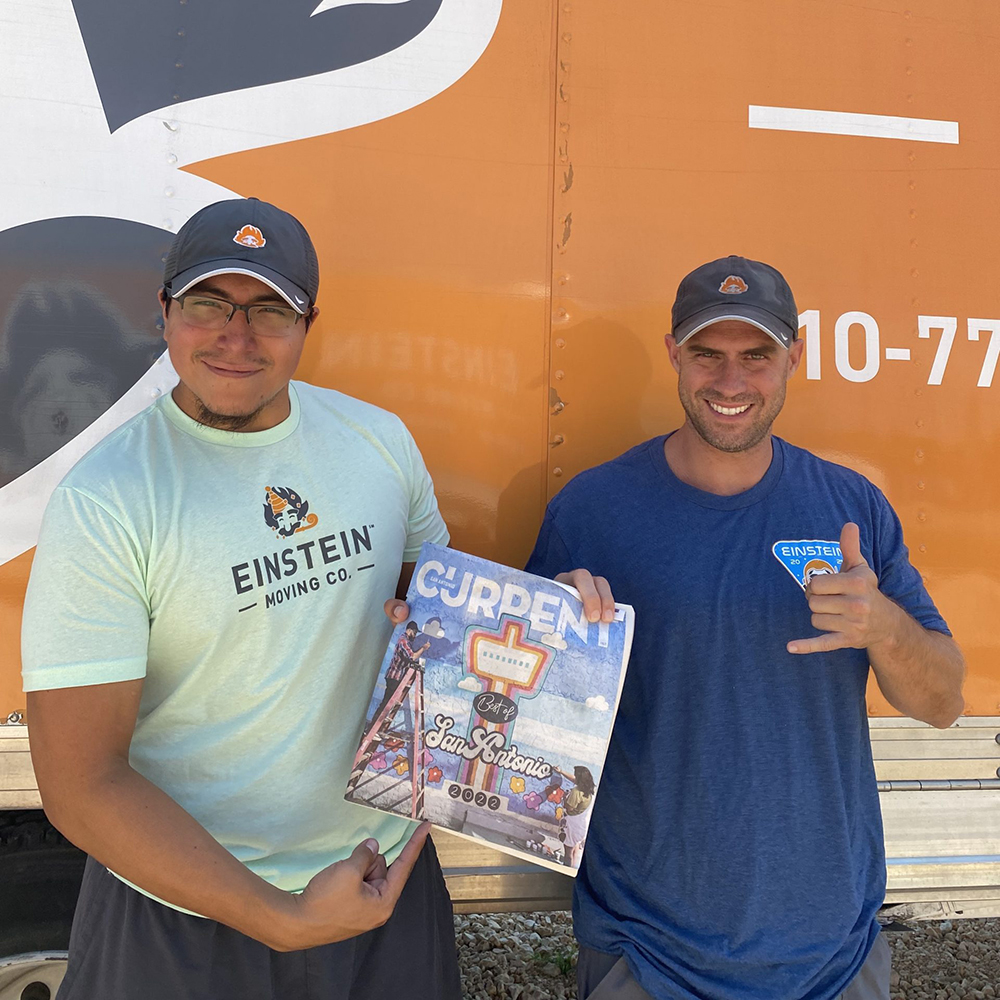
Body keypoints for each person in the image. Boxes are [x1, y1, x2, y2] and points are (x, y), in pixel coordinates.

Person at [21, 197, 461, 1000]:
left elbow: (445, 617)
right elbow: (81, 784)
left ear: (307, 325)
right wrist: (277, 916)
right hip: (185, 914)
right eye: (208, 303)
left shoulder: (379, 442)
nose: (236, 334)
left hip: (378, 881)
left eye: (269, 309)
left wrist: (560, 615)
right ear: (164, 313)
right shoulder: (110, 499)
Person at [525, 255, 966, 1000]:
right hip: (648, 958)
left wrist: (885, 628)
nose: (731, 383)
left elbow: (944, 701)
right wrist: (550, 636)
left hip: (834, 961)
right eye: (708, 354)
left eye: (756, 356)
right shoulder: (591, 512)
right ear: (674, 353)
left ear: (793, 356)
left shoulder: (851, 506)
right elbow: (520, 733)